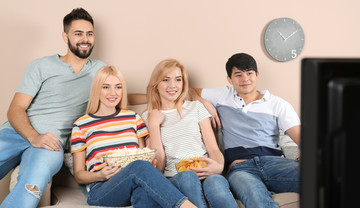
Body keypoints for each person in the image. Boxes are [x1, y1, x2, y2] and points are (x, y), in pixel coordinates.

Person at [0, 8, 105, 208]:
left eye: (90, 34)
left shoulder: (100, 70)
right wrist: (33, 137)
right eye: (78, 33)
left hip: (52, 144)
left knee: (32, 183)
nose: (85, 39)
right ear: (65, 37)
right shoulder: (40, 66)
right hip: (16, 133)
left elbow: (120, 92)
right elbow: (15, 109)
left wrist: (160, 93)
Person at [71, 65, 196, 208]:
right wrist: (100, 175)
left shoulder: (133, 118)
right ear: (96, 89)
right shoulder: (81, 125)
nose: (113, 93)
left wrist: (150, 164)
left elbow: (143, 156)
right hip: (102, 189)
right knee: (138, 167)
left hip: (133, 185)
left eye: (118, 87)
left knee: (143, 192)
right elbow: (79, 174)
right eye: (106, 87)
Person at [191, 53, 300, 208]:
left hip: (275, 163)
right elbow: (188, 91)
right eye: (238, 74)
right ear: (229, 79)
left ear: (256, 75)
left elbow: (300, 136)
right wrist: (203, 102)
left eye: (249, 73)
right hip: (241, 169)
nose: (245, 79)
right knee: (256, 199)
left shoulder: (277, 104)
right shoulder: (223, 95)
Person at [141, 59, 238, 208]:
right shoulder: (148, 116)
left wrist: (218, 166)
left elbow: (213, 149)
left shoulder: (196, 107)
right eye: (166, 80)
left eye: (178, 79)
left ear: (183, 83)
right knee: (188, 177)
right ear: (156, 85)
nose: (173, 85)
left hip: (205, 171)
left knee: (216, 184)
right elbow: (159, 167)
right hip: (175, 177)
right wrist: (154, 126)